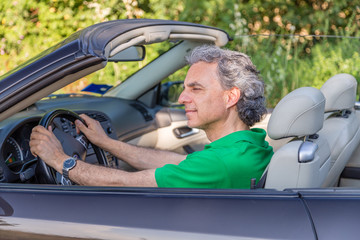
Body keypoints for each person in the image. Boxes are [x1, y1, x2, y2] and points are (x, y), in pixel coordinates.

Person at [30, 45, 274, 188]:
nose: (182, 98)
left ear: (230, 97)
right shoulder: (249, 145)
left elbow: (125, 182)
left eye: (196, 89)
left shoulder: (221, 164)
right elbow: (177, 164)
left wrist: (60, 160)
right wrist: (107, 143)